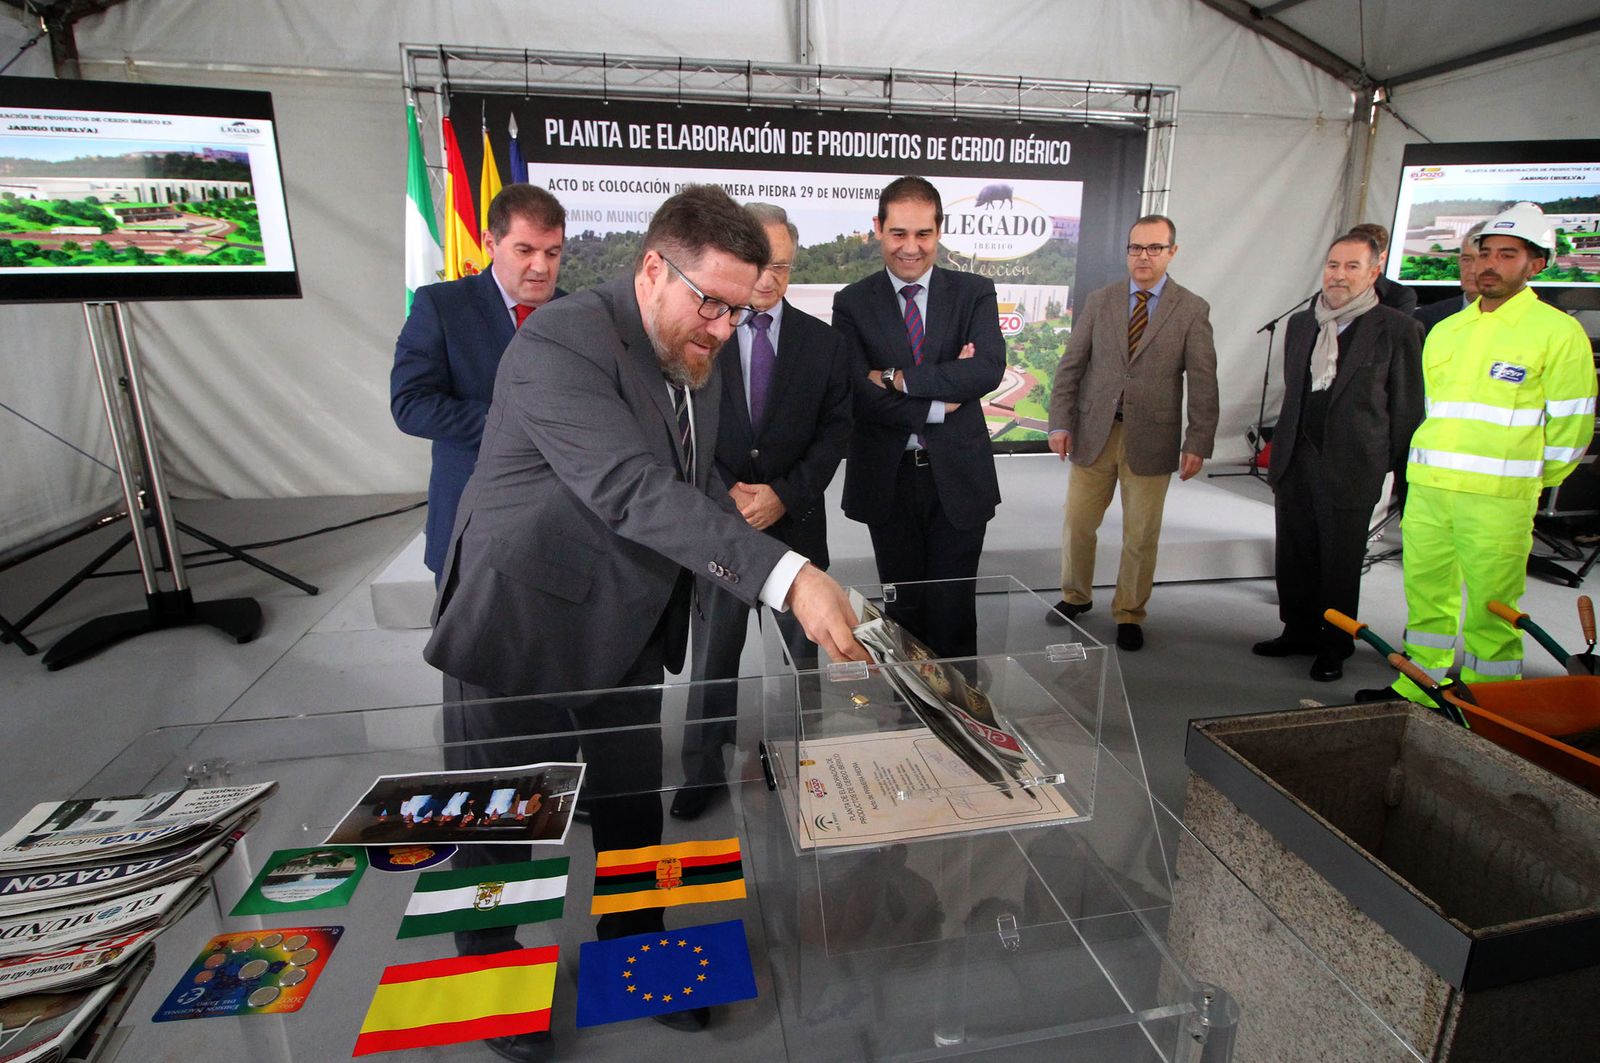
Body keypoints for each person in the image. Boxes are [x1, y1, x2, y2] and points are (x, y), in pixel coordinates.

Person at [422, 185, 866, 1052]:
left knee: (632, 807)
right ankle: (489, 978)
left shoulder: (686, 344)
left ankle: (633, 955)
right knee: (498, 825)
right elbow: (629, 485)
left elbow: (685, 473)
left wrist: (751, 532)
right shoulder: (560, 341)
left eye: (740, 311)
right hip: (519, 623)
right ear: (655, 269)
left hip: (621, 623)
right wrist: (787, 576)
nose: (724, 328)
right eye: (713, 304)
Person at [1360, 203, 1595, 704]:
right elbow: (1428, 413)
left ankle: (1493, 705)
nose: (1489, 264)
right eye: (1484, 253)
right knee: (1426, 600)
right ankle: (1419, 688)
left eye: (1507, 255)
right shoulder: (1446, 330)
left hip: (1499, 500)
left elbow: (1572, 429)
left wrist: (1525, 477)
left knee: (1492, 609)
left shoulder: (1557, 332)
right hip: (1430, 492)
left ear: (1536, 264)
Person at [673, 203, 852, 821]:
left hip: (797, 523)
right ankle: (702, 770)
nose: (770, 280)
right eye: (759, 265)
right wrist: (727, 497)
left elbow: (835, 434)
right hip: (719, 527)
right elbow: (686, 425)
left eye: (782, 267)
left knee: (804, 659)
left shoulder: (825, 344)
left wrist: (784, 493)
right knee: (712, 659)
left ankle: (802, 759)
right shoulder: (702, 333)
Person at [831, 176, 1006, 661]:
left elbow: (986, 370)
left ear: (939, 231)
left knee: (953, 615)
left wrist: (895, 377)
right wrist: (941, 395)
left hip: (959, 477)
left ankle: (963, 725)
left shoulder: (974, 292)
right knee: (902, 614)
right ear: (878, 229)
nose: (911, 248)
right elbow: (858, 395)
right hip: (889, 481)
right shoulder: (852, 302)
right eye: (898, 234)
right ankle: (909, 724)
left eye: (923, 234)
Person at [1252, 232, 1423, 682]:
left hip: (1353, 464)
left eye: (1351, 266)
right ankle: (1297, 630)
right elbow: (1294, 395)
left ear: (1373, 272)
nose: (1339, 275)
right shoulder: (1303, 324)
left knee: (1340, 560)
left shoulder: (1397, 328)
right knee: (1295, 551)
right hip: (1296, 458)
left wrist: (1404, 478)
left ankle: (1335, 642)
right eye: (1332, 265)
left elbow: (1407, 408)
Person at [1046, 215, 1218, 652]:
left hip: (1153, 438)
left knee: (1141, 534)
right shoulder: (1100, 301)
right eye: (1135, 248)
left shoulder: (1192, 309)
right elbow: (1072, 366)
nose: (1143, 256)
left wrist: (1198, 441)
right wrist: (1060, 422)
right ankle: (1075, 595)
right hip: (1093, 433)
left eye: (1154, 248)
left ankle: (1129, 612)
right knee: (1078, 523)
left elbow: (1203, 380)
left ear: (1172, 252)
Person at [391, 184, 568, 581]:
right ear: (490, 242)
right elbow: (410, 405)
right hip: (470, 523)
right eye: (525, 251)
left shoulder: (577, 313)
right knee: (468, 643)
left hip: (558, 529)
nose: (541, 267)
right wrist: (514, 426)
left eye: (552, 252)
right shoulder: (441, 306)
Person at [1414, 220, 1486, 335]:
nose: (1472, 270)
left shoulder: (1523, 322)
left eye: (1482, 260)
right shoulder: (1424, 319)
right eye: (1466, 260)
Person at [1348, 222, 1419, 315]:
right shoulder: (1334, 287)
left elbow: (1396, 328)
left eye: (1362, 255)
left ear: (1381, 258)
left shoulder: (1400, 296)